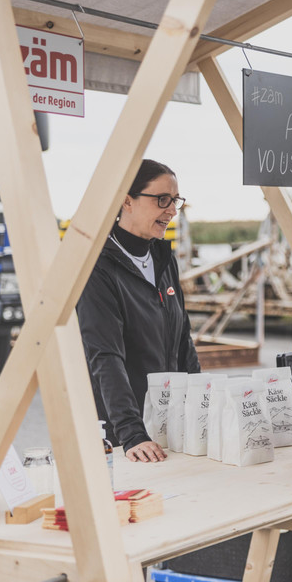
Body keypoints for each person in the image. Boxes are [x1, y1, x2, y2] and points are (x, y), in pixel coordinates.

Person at [76, 159, 200, 463]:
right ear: (126, 200)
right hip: (124, 436)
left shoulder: (164, 259)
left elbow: (183, 340)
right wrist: (132, 433)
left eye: (175, 201)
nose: (171, 211)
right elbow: (105, 356)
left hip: (171, 428)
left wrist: (202, 405)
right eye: (162, 199)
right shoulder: (97, 268)